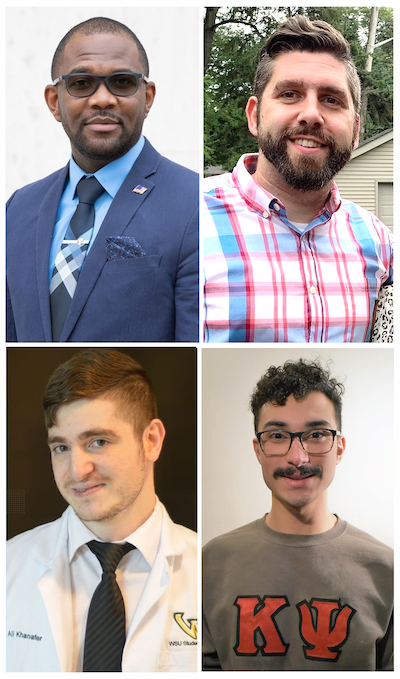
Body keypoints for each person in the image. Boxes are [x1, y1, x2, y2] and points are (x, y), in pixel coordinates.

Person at [6, 16, 198, 342]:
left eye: (122, 82)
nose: (102, 99)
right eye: (81, 83)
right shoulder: (18, 207)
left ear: (147, 97)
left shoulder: (193, 203)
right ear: (55, 101)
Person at [203, 15, 393, 342]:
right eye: (290, 94)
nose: (311, 114)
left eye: (331, 100)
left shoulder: (379, 242)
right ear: (254, 115)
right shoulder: (183, 223)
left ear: (357, 130)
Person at [7, 349, 197, 672]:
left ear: (151, 440)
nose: (77, 470)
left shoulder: (205, 571)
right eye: (61, 447)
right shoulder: (8, 567)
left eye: (97, 442)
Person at [203, 359, 393, 670]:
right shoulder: (210, 563)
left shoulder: (386, 570)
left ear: (340, 448)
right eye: (277, 436)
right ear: (258, 450)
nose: (297, 457)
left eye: (316, 434)